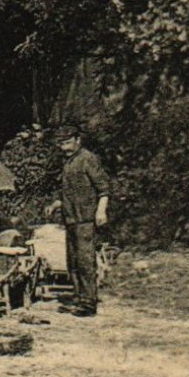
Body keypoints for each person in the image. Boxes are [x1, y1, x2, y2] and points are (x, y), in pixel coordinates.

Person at [55, 125, 110, 317]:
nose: (64, 147)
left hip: (85, 219)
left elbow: (103, 189)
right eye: (61, 143)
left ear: (78, 140)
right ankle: (78, 297)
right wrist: (57, 203)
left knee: (86, 261)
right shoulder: (68, 163)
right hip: (70, 219)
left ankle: (88, 302)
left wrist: (101, 211)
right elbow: (71, 191)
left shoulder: (88, 159)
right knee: (73, 262)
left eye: (68, 142)